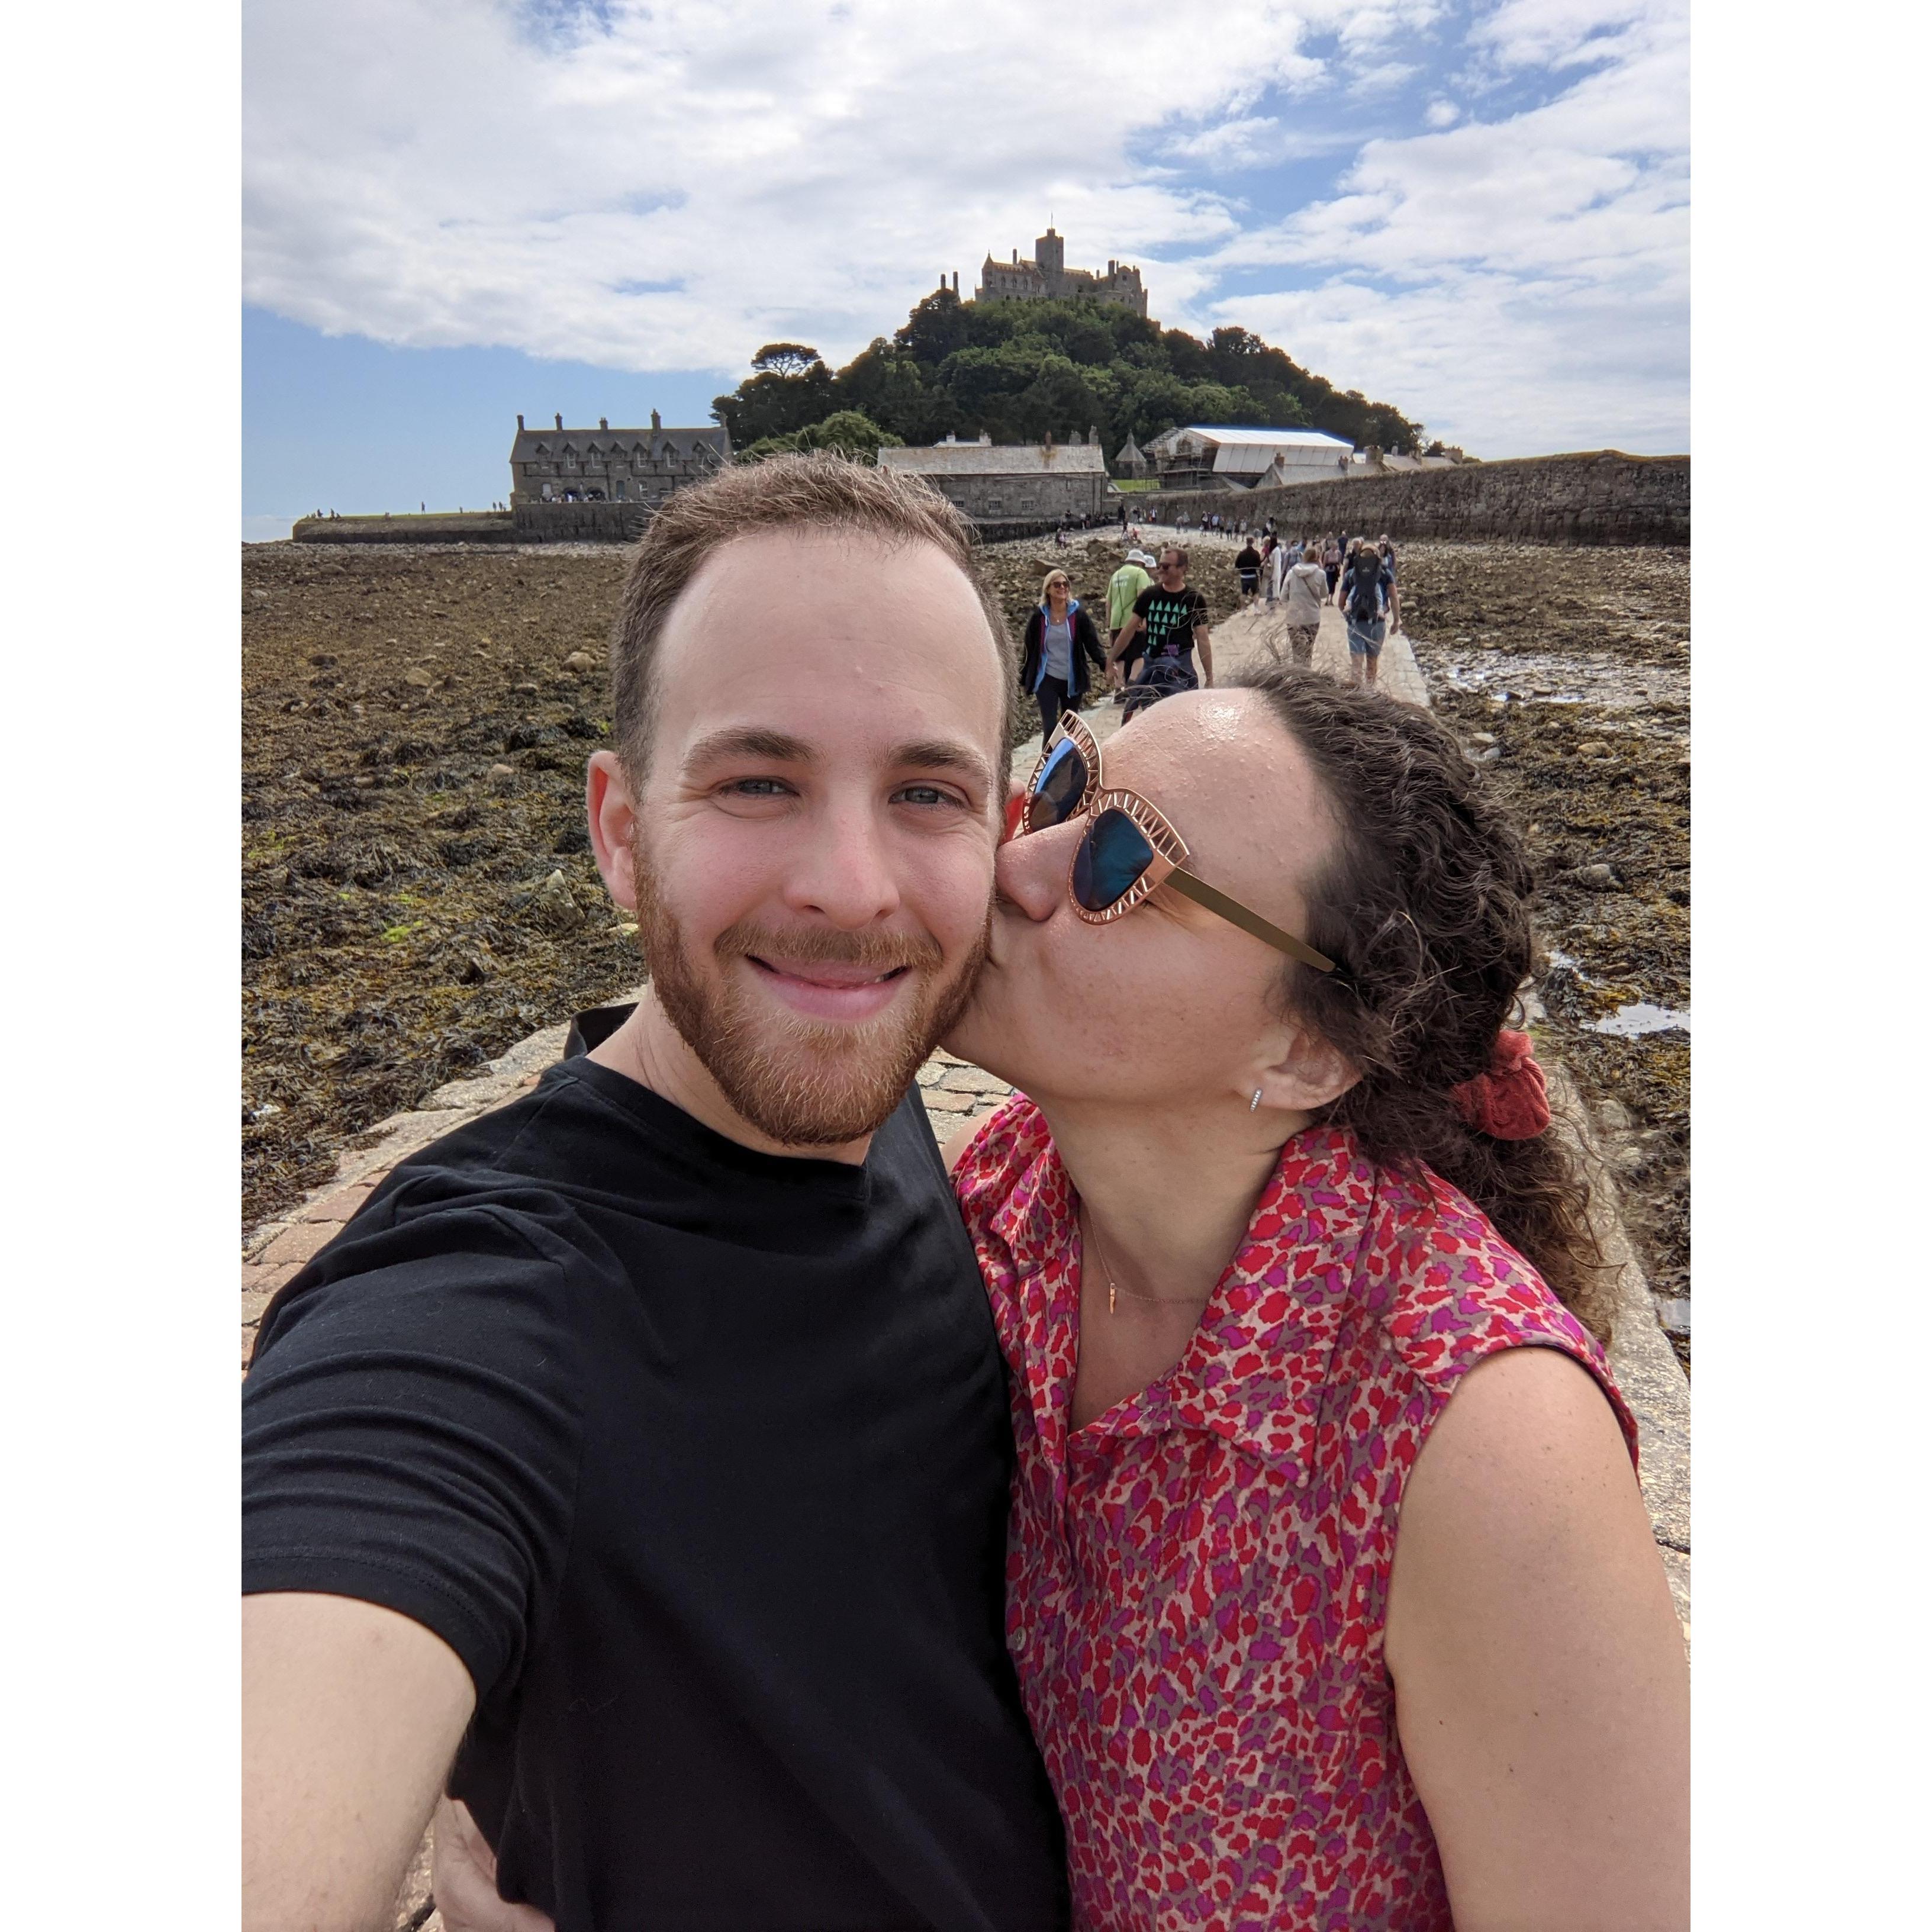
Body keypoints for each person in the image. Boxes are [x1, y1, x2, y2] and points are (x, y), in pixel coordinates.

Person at [242, 453, 1070, 1932]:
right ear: (621, 829)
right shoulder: (479, 1308)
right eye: (758, 781)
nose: (853, 886)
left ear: (1000, 827)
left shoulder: (879, 1111)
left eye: (926, 791)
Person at [939, 673, 1689, 1929]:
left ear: (1305, 1052)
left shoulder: (1477, 1441)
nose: (1016, 863)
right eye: (1064, 786)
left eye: (1120, 858)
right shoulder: (1012, 1195)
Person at [1110, 545, 1213, 717]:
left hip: (1181, 668)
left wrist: (1209, 678)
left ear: (1182, 569)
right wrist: (1110, 660)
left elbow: (1203, 639)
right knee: (1150, 719)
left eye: (1166, 567)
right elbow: (1128, 630)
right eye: (1159, 566)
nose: (1160, 571)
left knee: (1181, 719)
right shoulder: (1149, 596)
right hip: (1152, 666)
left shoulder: (1194, 599)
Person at [1019, 566, 1109, 740]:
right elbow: (1029, 649)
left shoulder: (1079, 615)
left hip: (1072, 679)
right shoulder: (1039, 617)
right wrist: (1024, 677)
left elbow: (1092, 644)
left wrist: (1106, 665)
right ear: (1048, 590)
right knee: (1050, 727)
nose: (1062, 588)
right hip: (1047, 678)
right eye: (1057, 585)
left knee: (1070, 728)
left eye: (1065, 584)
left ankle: (1068, 763)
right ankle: (1048, 766)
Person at [1338, 535, 1400, 688]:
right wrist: (1396, 620)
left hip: (1355, 622)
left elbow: (1341, 602)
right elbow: (1393, 597)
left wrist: (1348, 616)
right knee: (1372, 663)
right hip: (1377, 623)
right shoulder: (1385, 573)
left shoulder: (1352, 573)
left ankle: (1356, 697)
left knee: (1356, 664)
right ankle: (1370, 693)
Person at [1104, 549, 1154, 704]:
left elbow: (1109, 602)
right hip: (1133, 621)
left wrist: (1109, 621)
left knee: (1120, 657)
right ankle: (1132, 684)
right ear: (1140, 563)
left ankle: (1119, 688)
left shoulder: (1116, 576)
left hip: (1116, 621)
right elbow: (1142, 596)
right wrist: (1144, 619)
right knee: (1140, 655)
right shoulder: (1140, 574)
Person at [1279, 536, 1331, 669]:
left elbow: (1283, 596)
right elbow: (1324, 594)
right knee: (1308, 650)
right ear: (1317, 558)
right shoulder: (1321, 574)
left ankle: (1297, 675)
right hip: (1312, 617)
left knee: (1296, 650)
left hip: (1294, 617)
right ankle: (1307, 676)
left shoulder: (1292, 573)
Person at [1234, 534, 1263, 604]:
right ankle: (1256, 609)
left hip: (1244, 576)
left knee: (1244, 593)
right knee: (1255, 593)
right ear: (1253, 543)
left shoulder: (1242, 553)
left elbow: (1237, 565)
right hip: (1253, 576)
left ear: (1246, 542)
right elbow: (1259, 565)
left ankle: (1243, 610)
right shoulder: (1256, 553)